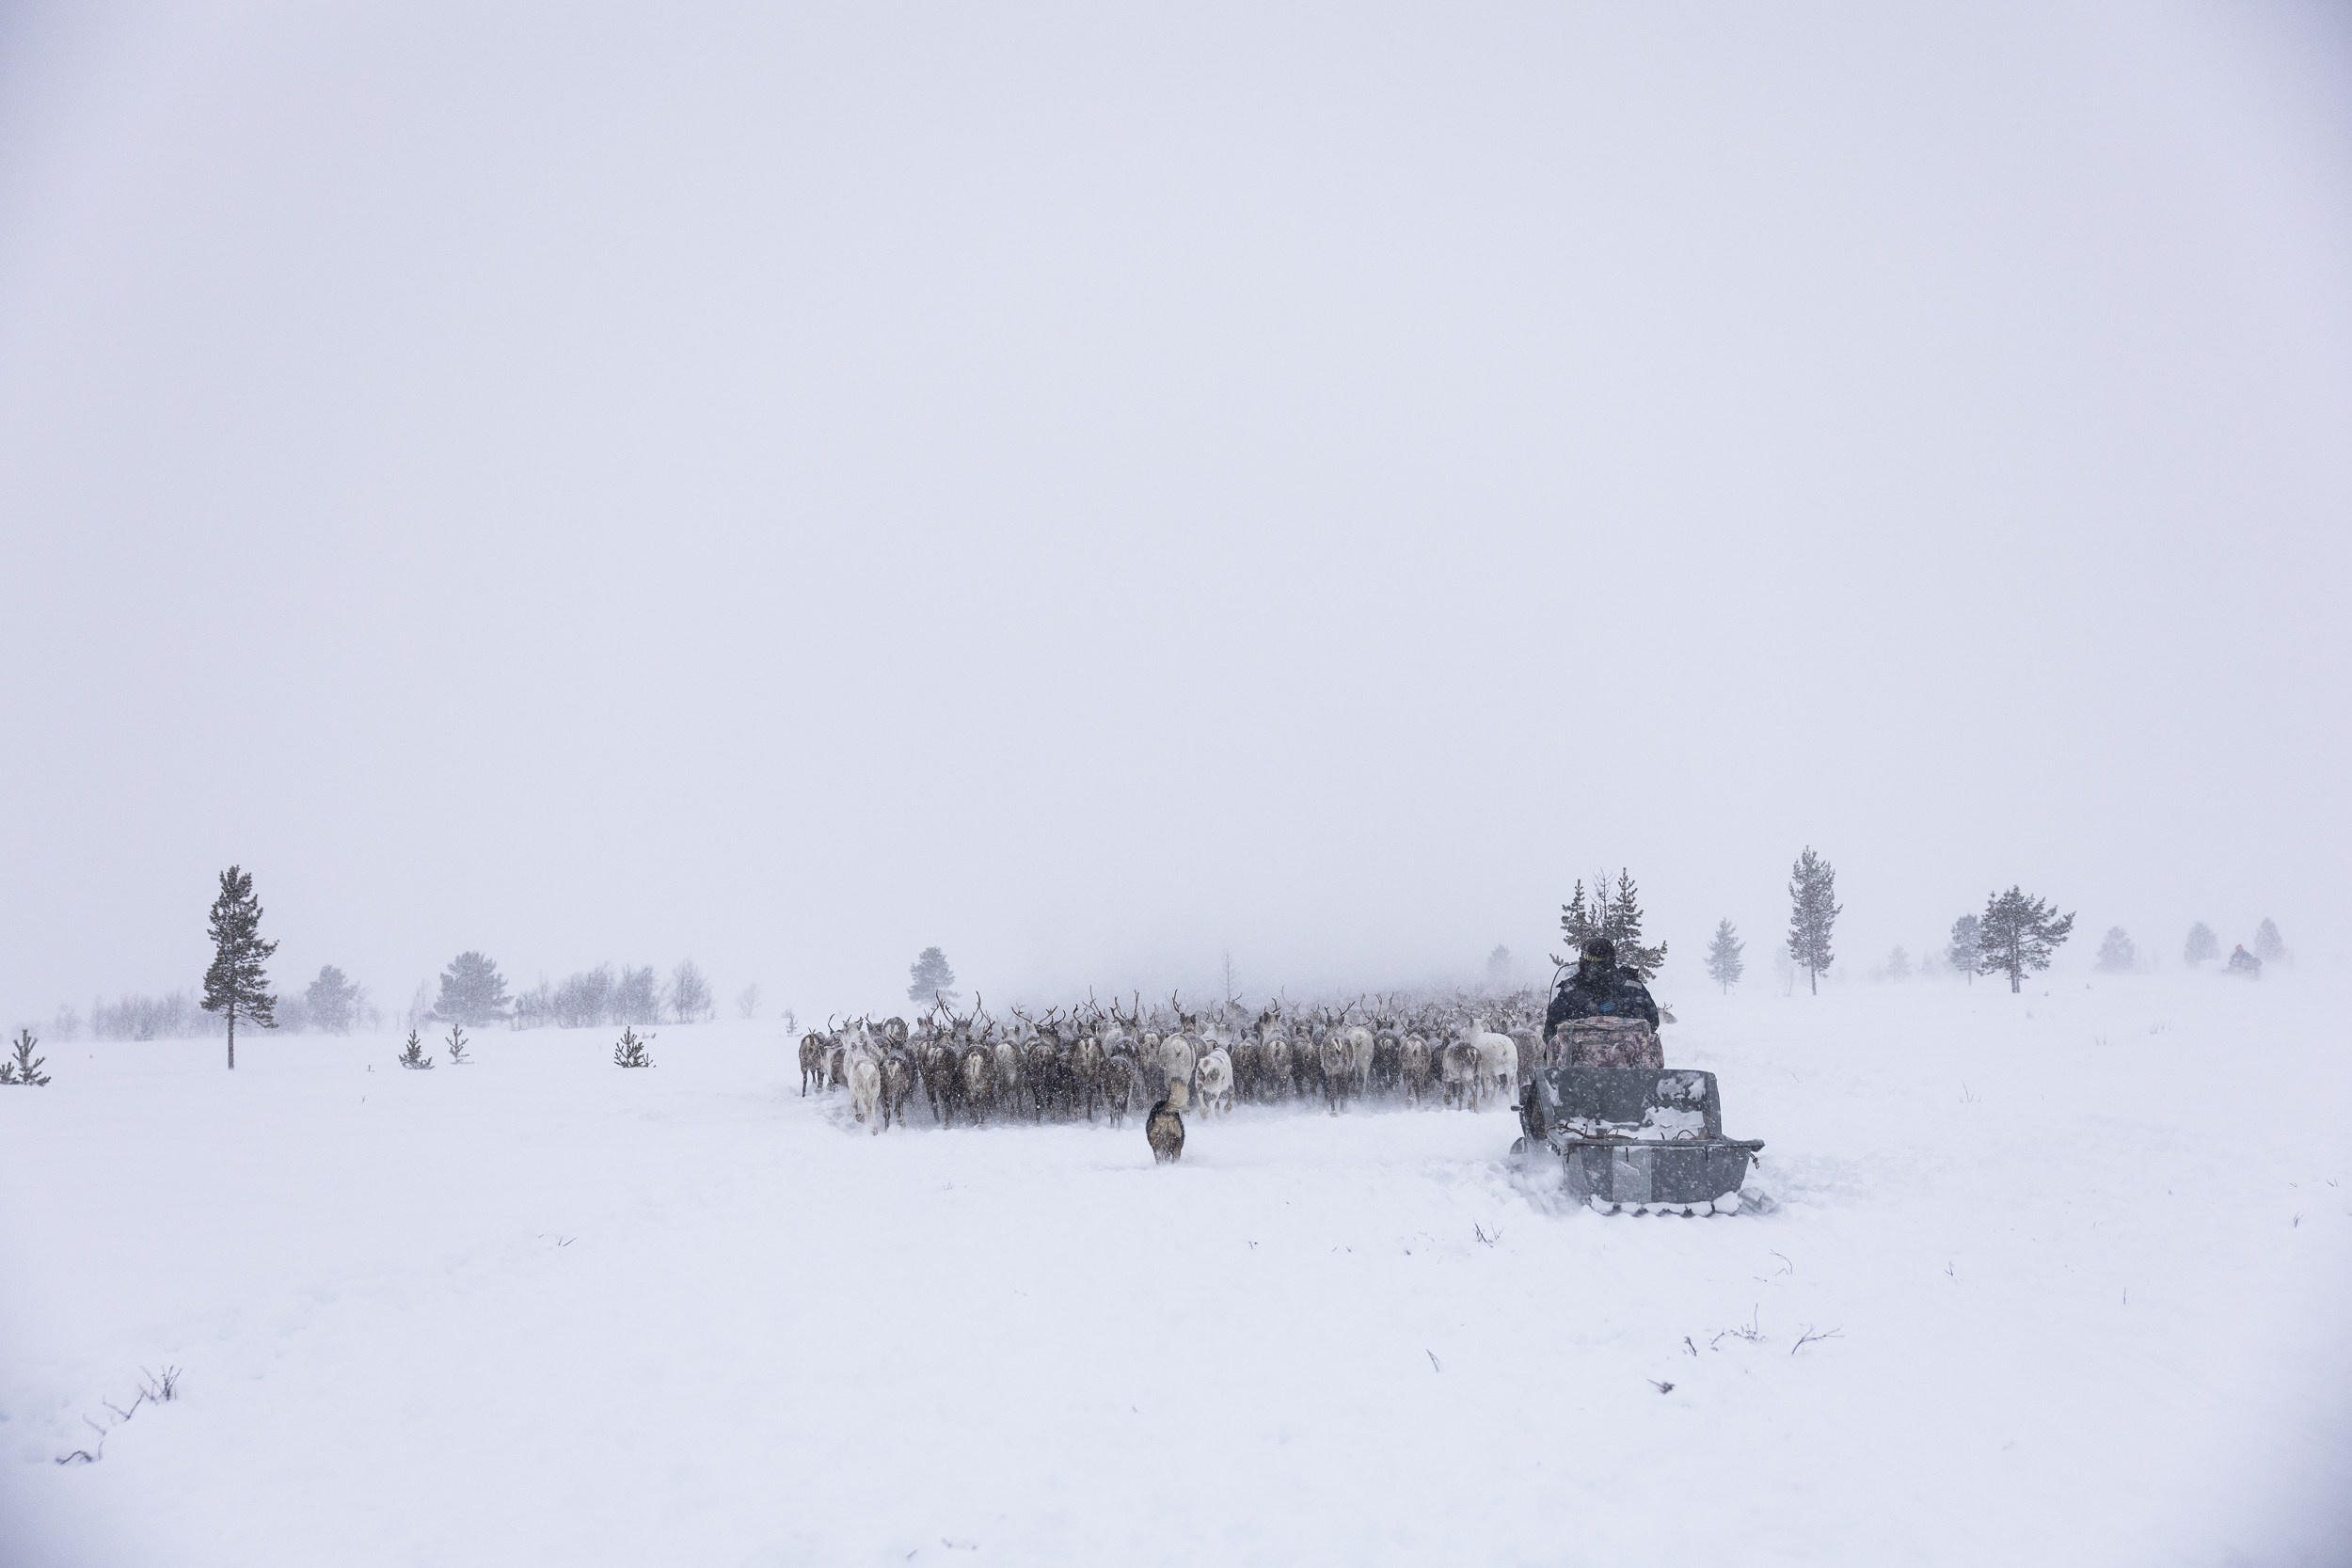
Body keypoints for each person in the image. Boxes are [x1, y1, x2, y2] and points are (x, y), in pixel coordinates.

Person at [1544, 936, 1661, 1068]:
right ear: (1613, 959)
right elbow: (1653, 1022)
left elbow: (1550, 1031)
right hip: (1631, 1072)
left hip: (1576, 1075)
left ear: (1582, 959)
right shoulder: (1633, 987)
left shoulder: (1569, 990)